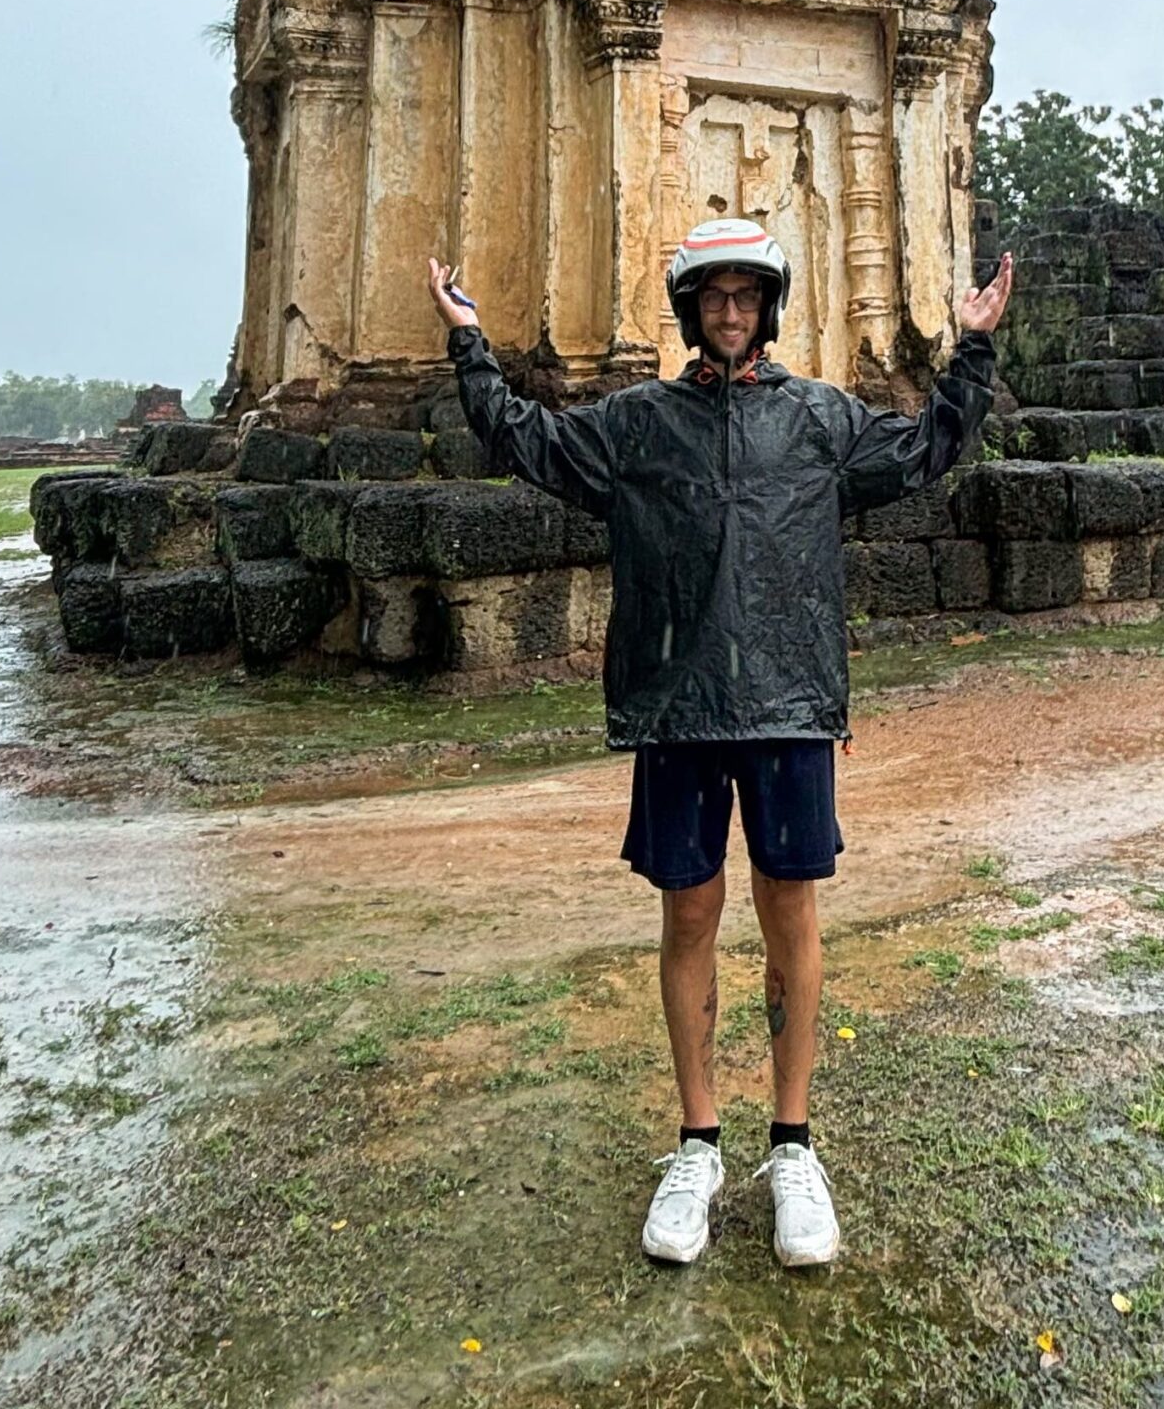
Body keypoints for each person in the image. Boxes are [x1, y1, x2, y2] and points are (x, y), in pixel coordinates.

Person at [427, 219, 1012, 1270]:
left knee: (790, 908)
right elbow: (528, 440)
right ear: (691, 308)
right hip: (680, 706)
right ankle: (697, 1139)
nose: (730, 311)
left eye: (747, 294)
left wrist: (972, 348)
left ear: (769, 308)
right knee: (689, 913)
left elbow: (925, 449)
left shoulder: (821, 421)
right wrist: (470, 342)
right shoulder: (640, 425)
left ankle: (791, 1142)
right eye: (713, 295)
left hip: (789, 702)